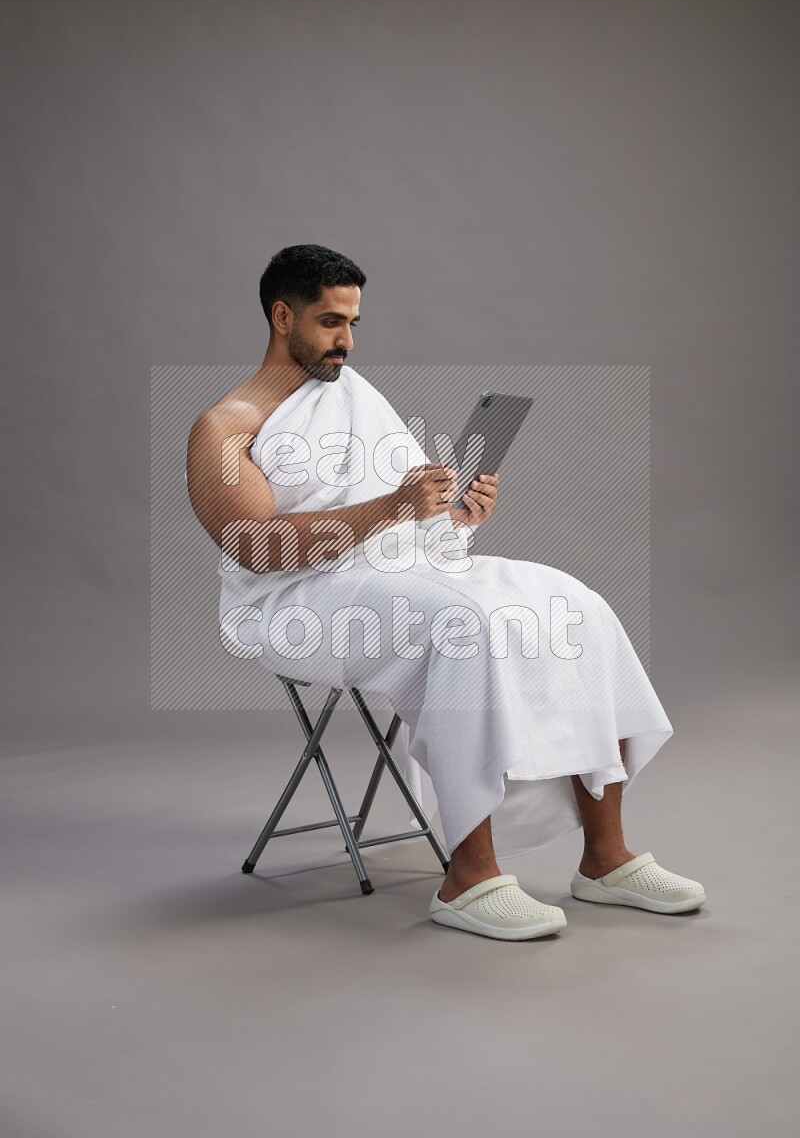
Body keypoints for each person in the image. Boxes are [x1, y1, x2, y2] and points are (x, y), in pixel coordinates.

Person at [186, 243, 706, 941]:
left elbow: (406, 525)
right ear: (283, 317)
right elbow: (256, 545)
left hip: (391, 571)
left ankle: (605, 859)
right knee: (467, 625)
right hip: (298, 602)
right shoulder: (225, 428)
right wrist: (395, 510)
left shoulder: (352, 395)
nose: (345, 340)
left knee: (576, 604)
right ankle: (469, 876)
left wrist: (453, 517)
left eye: (354, 323)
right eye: (330, 321)